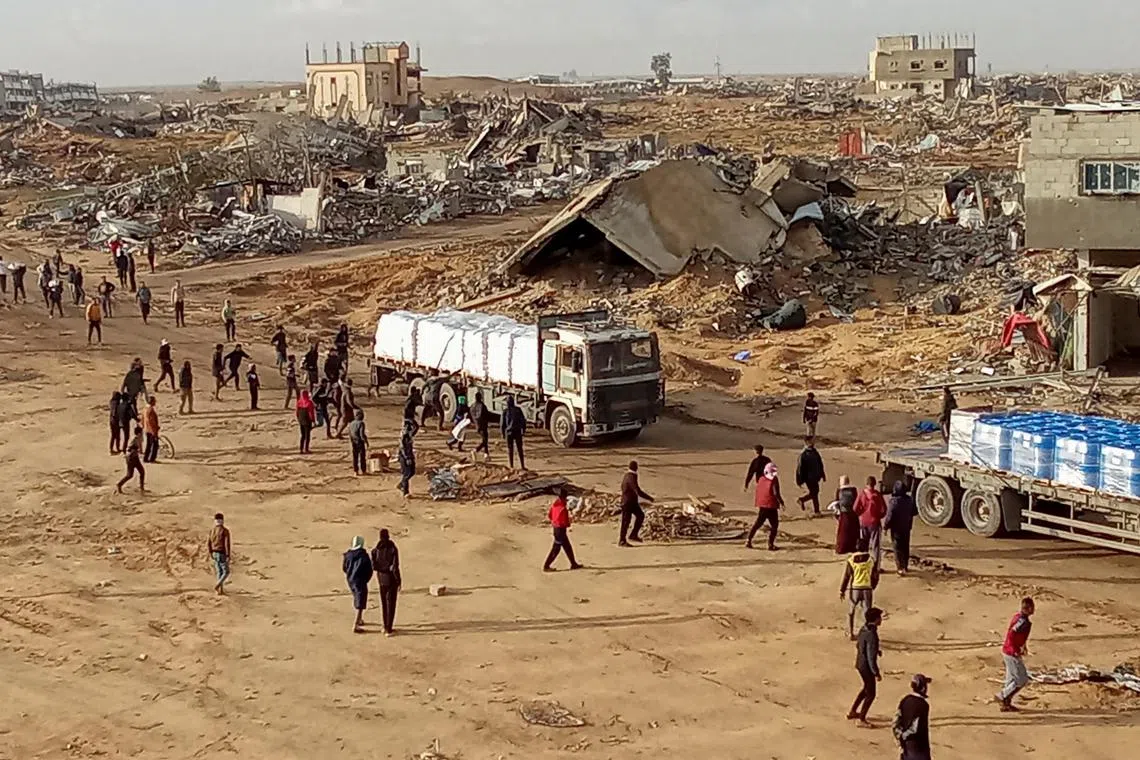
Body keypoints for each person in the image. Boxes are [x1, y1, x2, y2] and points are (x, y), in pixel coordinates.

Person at [997, 597, 1035, 712]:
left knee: (1011, 679)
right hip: (1011, 652)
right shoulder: (1022, 622)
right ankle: (1003, 696)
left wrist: (1023, 646)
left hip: (1008, 651)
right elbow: (1012, 634)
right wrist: (1015, 649)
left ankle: (1006, 704)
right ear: (1028, 609)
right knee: (1022, 679)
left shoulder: (1018, 617)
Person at [847, 607, 884, 725]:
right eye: (879, 617)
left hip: (860, 663)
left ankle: (853, 711)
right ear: (875, 619)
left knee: (866, 689)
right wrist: (876, 673)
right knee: (871, 694)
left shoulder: (863, 629)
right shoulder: (872, 634)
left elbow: (860, 645)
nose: (881, 620)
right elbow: (870, 657)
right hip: (866, 666)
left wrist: (876, 650)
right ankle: (862, 719)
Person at [840, 545, 880, 640]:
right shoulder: (871, 560)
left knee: (851, 611)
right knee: (867, 612)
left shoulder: (851, 560)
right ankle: (867, 633)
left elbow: (847, 576)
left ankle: (851, 633)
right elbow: (875, 575)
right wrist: (873, 586)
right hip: (867, 588)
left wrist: (842, 590)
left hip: (855, 588)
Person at [894, 675, 933, 760]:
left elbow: (895, 723)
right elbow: (915, 728)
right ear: (923, 688)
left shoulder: (905, 700)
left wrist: (900, 739)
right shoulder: (923, 705)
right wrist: (905, 736)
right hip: (919, 748)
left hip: (906, 747)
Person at [747, 462, 784, 551]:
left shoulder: (761, 479)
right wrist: (781, 502)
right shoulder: (774, 479)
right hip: (771, 506)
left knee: (758, 524)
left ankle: (749, 540)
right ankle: (770, 544)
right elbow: (776, 493)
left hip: (762, 505)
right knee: (774, 525)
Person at [544, 487, 583, 571]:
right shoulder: (563, 508)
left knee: (567, 547)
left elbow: (550, 516)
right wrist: (569, 522)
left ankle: (573, 564)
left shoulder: (555, 505)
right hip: (560, 530)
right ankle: (546, 566)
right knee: (556, 549)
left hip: (556, 528)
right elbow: (565, 523)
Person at [371, 529, 401, 636]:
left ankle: (384, 626)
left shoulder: (376, 549)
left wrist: (381, 569)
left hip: (381, 580)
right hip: (391, 579)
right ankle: (389, 629)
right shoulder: (392, 548)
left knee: (384, 603)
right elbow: (395, 567)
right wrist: (398, 580)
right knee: (391, 604)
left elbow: (374, 566)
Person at [884, 481, 918, 576]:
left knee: (897, 548)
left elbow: (890, 516)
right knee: (905, 547)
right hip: (906, 527)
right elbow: (915, 512)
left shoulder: (894, 501)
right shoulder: (909, 500)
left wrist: (886, 527)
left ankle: (900, 568)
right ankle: (905, 566)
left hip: (896, 528)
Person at [854, 476, 887, 567]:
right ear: (874, 484)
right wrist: (878, 516)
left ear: (866, 484)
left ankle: (864, 564)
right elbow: (884, 509)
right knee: (876, 545)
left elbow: (855, 508)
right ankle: (876, 567)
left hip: (864, 521)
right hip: (875, 522)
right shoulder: (877, 495)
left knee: (864, 544)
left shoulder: (862, 494)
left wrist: (861, 514)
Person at [343, 536, 374, 633]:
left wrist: (349, 575)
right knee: (360, 601)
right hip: (360, 580)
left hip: (351, 580)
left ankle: (359, 619)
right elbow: (369, 570)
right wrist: (365, 579)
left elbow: (344, 567)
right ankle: (356, 624)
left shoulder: (348, 555)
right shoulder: (364, 556)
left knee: (357, 598)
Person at [619, 461, 653, 546]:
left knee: (640, 515)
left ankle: (633, 535)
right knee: (626, 521)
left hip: (631, 502)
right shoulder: (631, 477)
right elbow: (637, 490)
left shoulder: (627, 475)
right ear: (636, 468)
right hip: (628, 503)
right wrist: (649, 498)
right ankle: (622, 540)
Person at [795, 437, 827, 515]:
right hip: (808, 478)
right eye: (811, 441)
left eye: (813, 441)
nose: (812, 443)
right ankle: (816, 511)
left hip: (816, 477)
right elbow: (800, 469)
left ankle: (802, 500)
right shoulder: (804, 454)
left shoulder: (815, 452)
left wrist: (823, 474)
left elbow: (820, 464)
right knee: (814, 492)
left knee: (815, 492)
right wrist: (799, 480)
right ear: (806, 442)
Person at [834, 475, 861, 554]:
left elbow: (837, 502)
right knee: (853, 532)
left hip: (844, 513)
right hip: (853, 514)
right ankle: (853, 547)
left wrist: (837, 514)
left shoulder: (839, 491)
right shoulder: (853, 490)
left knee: (843, 533)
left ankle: (842, 548)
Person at [116, 425, 146, 493]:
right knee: (130, 475)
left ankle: (142, 488)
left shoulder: (138, 438)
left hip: (135, 457)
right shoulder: (134, 439)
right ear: (139, 433)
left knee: (142, 472)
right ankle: (119, 484)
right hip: (131, 458)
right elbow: (130, 449)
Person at [207, 513, 232, 595]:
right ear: (222, 520)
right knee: (226, 572)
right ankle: (217, 585)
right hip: (222, 553)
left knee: (219, 572)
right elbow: (227, 543)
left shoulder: (212, 531)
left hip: (214, 553)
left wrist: (210, 552)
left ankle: (219, 591)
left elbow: (208, 543)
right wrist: (228, 555)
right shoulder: (224, 531)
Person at [501, 394, 527, 470]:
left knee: (510, 450)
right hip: (517, 431)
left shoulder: (505, 411)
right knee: (520, 449)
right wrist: (523, 430)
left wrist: (503, 433)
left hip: (509, 432)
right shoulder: (518, 410)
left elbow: (502, 424)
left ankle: (511, 466)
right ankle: (522, 466)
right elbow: (523, 420)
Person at [397, 421, 416, 498]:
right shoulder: (403, 437)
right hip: (404, 457)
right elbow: (403, 449)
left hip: (410, 456)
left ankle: (401, 484)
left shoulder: (409, 435)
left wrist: (411, 420)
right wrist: (407, 458)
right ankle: (405, 492)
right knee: (407, 473)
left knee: (412, 472)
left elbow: (416, 428)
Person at [471, 391, 490, 460]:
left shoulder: (472, 406)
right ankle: (476, 449)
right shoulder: (482, 406)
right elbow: (487, 415)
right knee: (485, 441)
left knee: (485, 440)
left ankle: (486, 454)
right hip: (483, 425)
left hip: (477, 425)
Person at [348, 409, 369, 475]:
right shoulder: (361, 423)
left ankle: (355, 471)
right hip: (360, 442)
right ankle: (363, 471)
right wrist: (366, 441)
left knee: (355, 457)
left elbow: (350, 434)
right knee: (362, 457)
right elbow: (361, 434)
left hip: (353, 442)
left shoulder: (351, 423)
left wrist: (352, 441)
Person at [296, 389, 316, 454]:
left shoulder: (299, 402)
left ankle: (301, 449)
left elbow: (297, 412)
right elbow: (311, 413)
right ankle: (306, 449)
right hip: (307, 420)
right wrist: (313, 420)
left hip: (301, 420)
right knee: (307, 436)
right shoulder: (309, 403)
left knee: (303, 435)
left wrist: (299, 419)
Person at [142, 396, 161, 463]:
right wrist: (154, 431)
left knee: (148, 445)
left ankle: (146, 458)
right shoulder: (151, 410)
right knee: (155, 445)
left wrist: (143, 426)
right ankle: (152, 459)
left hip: (146, 429)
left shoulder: (145, 409)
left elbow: (143, 419)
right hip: (152, 430)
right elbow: (152, 422)